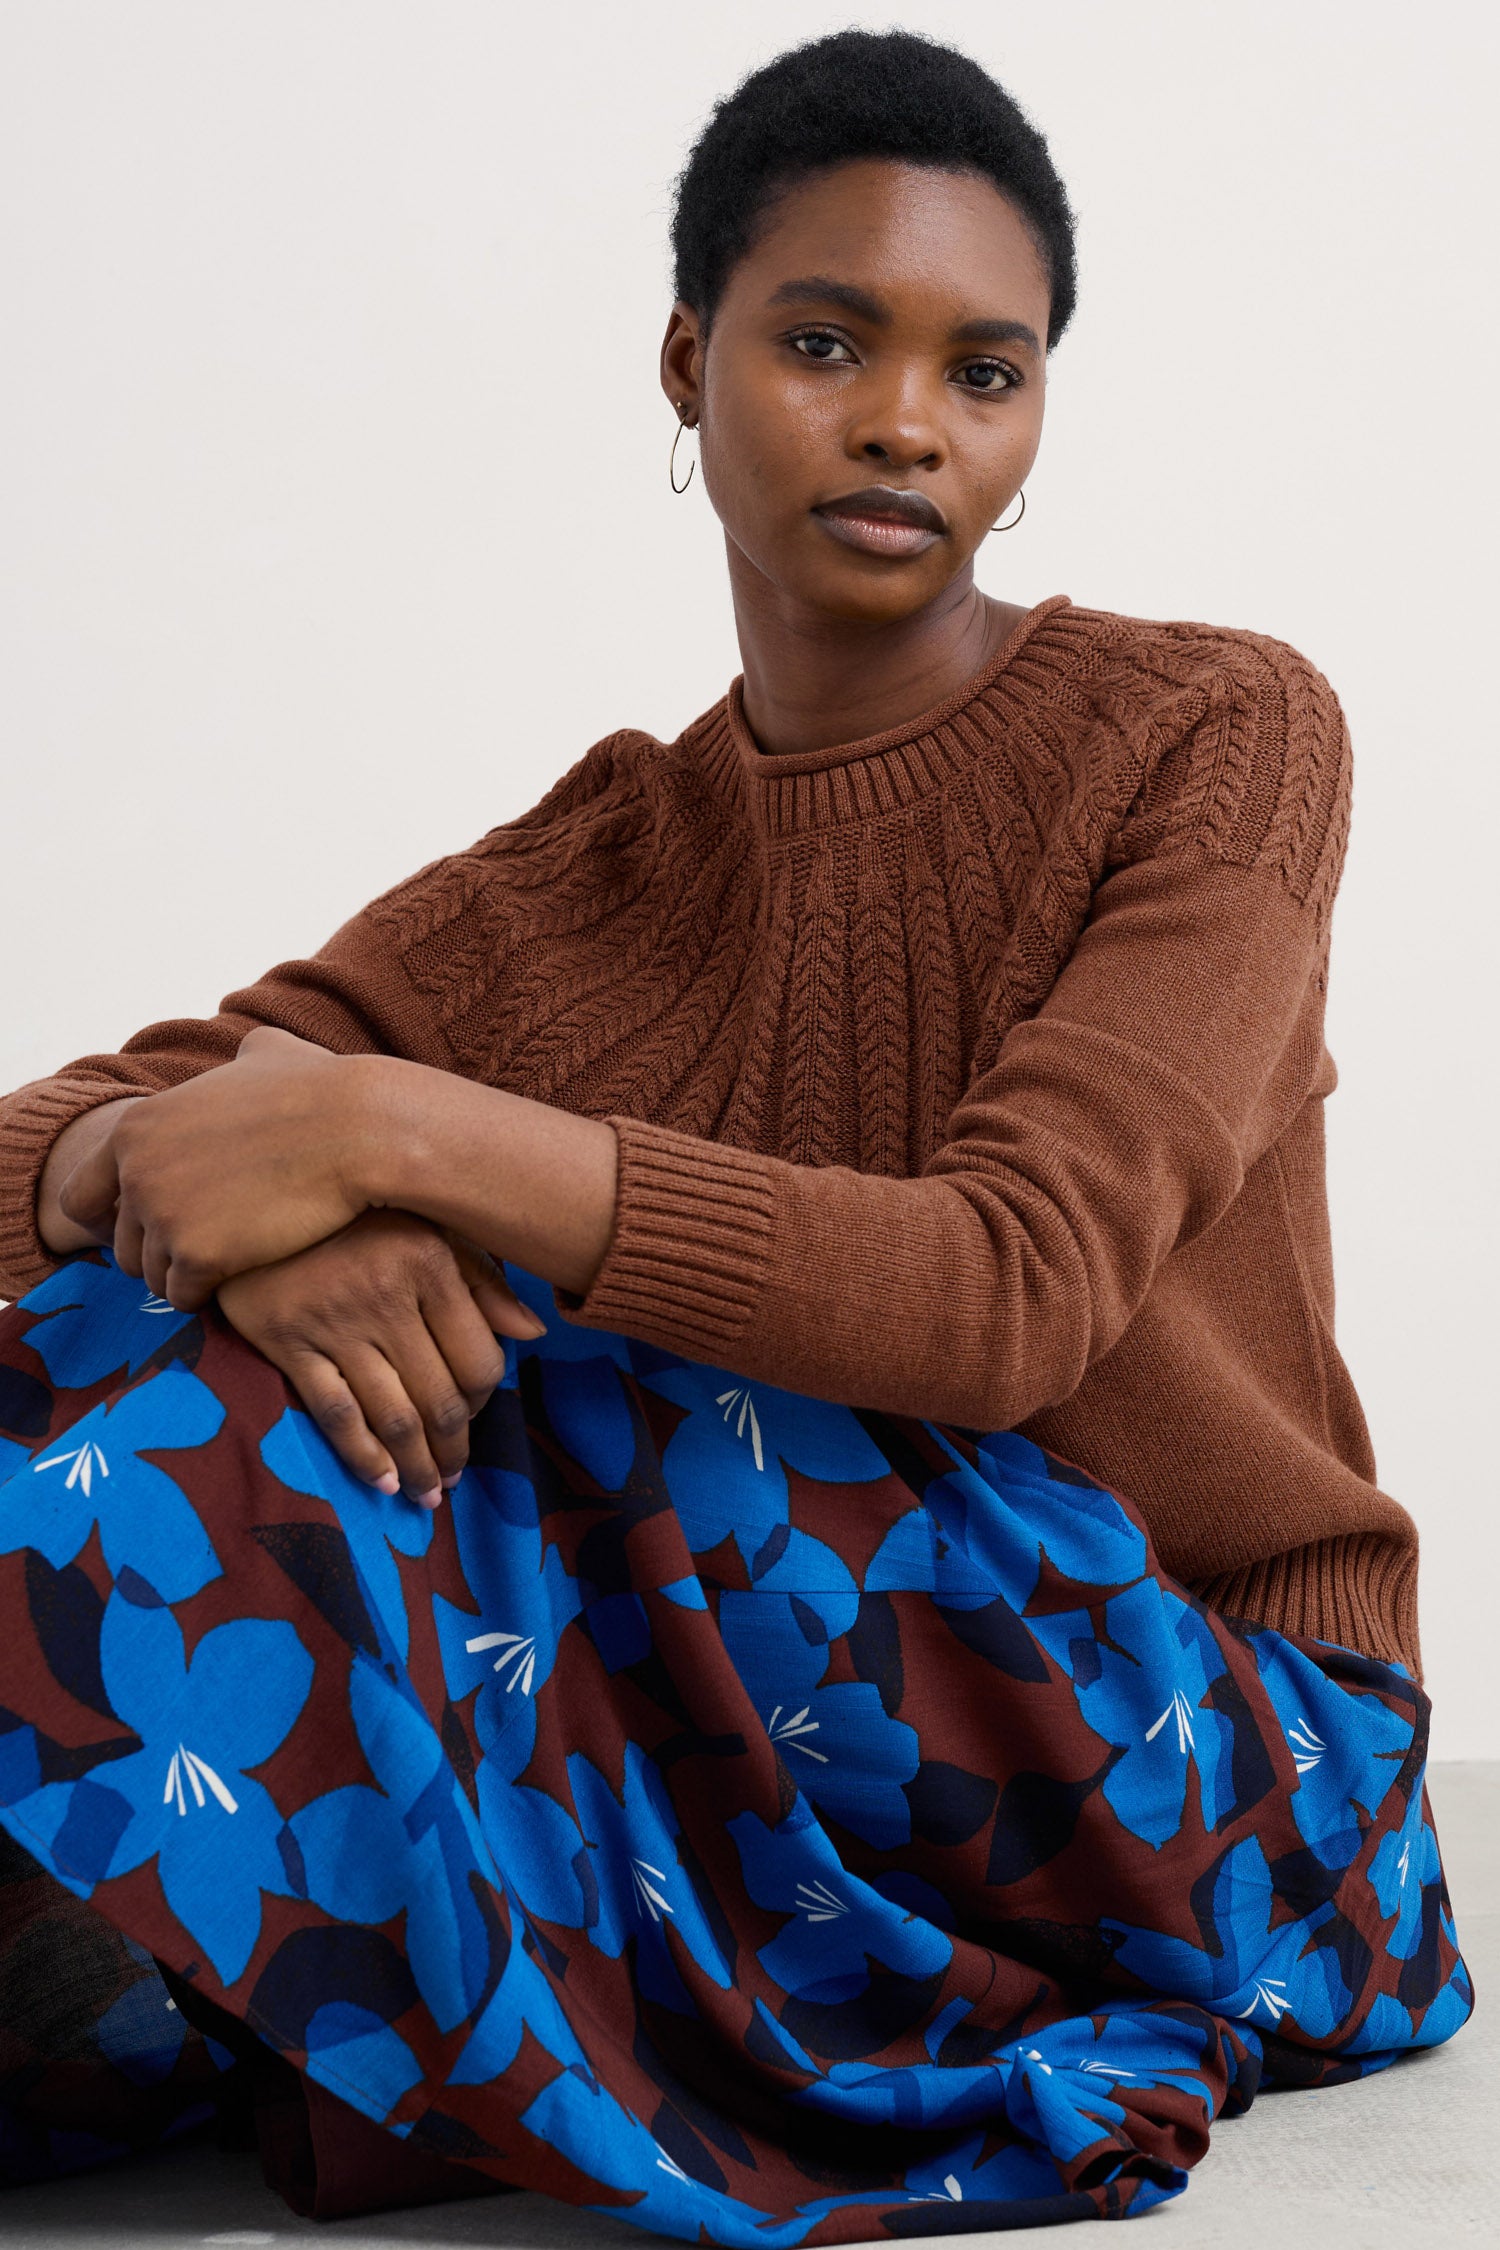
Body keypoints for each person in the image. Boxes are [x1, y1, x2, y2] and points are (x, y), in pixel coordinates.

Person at [0, 27, 1471, 2241]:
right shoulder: (589, 878)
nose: (906, 422)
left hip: (1240, 1773)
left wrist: (391, 1131)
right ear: (688, 364)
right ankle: (147, 1963)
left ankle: (240, 1971)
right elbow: (94, 1135)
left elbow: (1004, 1295)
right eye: (824, 342)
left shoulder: (1216, 733)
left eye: (987, 372)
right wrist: (225, 1200)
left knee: (598, 1382)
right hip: (822, 1789)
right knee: (165, 1319)